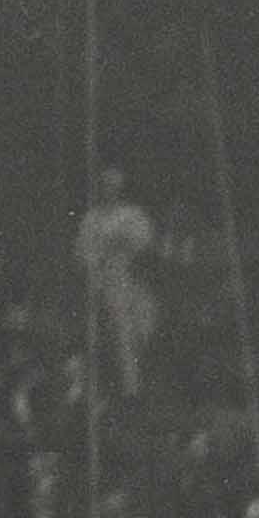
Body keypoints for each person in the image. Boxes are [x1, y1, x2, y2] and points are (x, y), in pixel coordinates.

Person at [74, 165, 157, 399]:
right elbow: (82, 253)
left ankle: (144, 377)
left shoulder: (132, 214)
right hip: (107, 280)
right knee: (121, 329)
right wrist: (98, 263)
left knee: (145, 324)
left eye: (114, 186)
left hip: (135, 275)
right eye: (105, 186)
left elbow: (145, 242)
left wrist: (122, 244)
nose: (109, 190)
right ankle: (130, 389)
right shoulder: (92, 218)